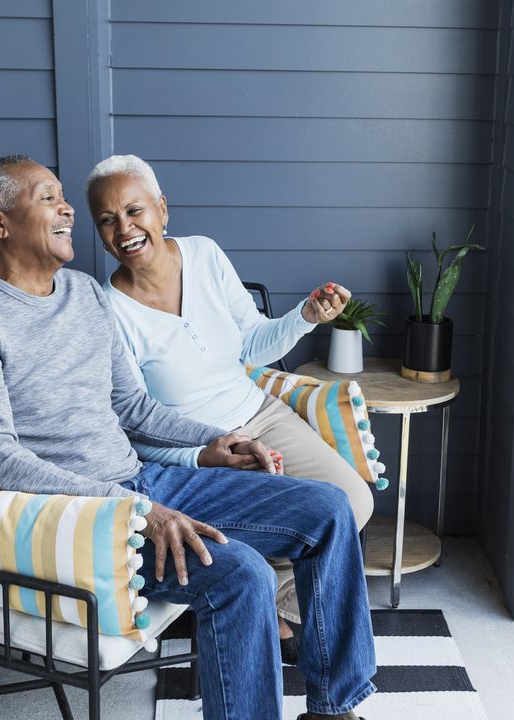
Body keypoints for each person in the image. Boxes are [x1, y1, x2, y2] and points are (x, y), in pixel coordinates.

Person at [0, 154, 375, 720]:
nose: (67, 208)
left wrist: (221, 438)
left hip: (143, 483)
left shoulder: (84, 294)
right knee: (242, 576)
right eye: (47, 197)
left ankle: (333, 710)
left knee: (330, 508)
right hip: (85, 518)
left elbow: (132, 407)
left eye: (64, 196)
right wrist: (135, 508)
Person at [85, 155, 374, 658]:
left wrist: (304, 317)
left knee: (355, 502)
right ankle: (269, 612)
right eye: (108, 220)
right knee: (288, 527)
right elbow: (133, 424)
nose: (125, 229)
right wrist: (204, 453)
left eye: (135, 211)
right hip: (193, 452)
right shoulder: (107, 309)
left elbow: (251, 347)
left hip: (259, 413)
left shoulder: (205, 255)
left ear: (162, 209)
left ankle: (278, 606)